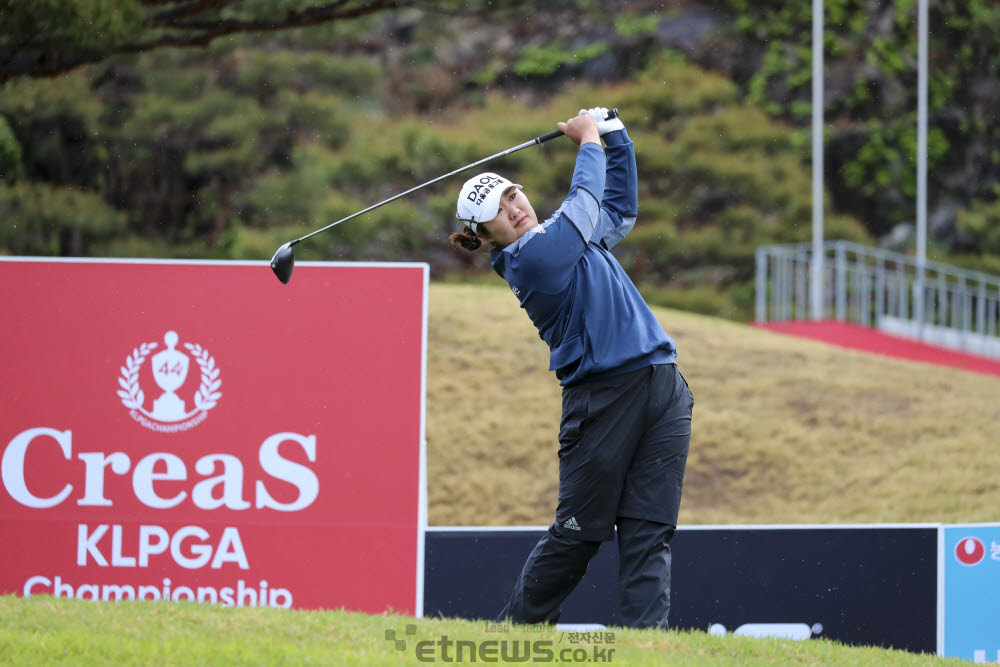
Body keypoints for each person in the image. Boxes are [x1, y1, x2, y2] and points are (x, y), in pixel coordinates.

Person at [449, 108, 693, 630]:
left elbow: (618, 210)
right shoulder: (530, 259)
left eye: (512, 193)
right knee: (578, 534)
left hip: (662, 385)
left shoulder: (569, 237)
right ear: (483, 233)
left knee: (650, 529)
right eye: (497, 209)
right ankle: (516, 633)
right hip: (600, 401)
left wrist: (616, 136)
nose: (514, 208)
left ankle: (645, 650)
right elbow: (584, 205)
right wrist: (588, 142)